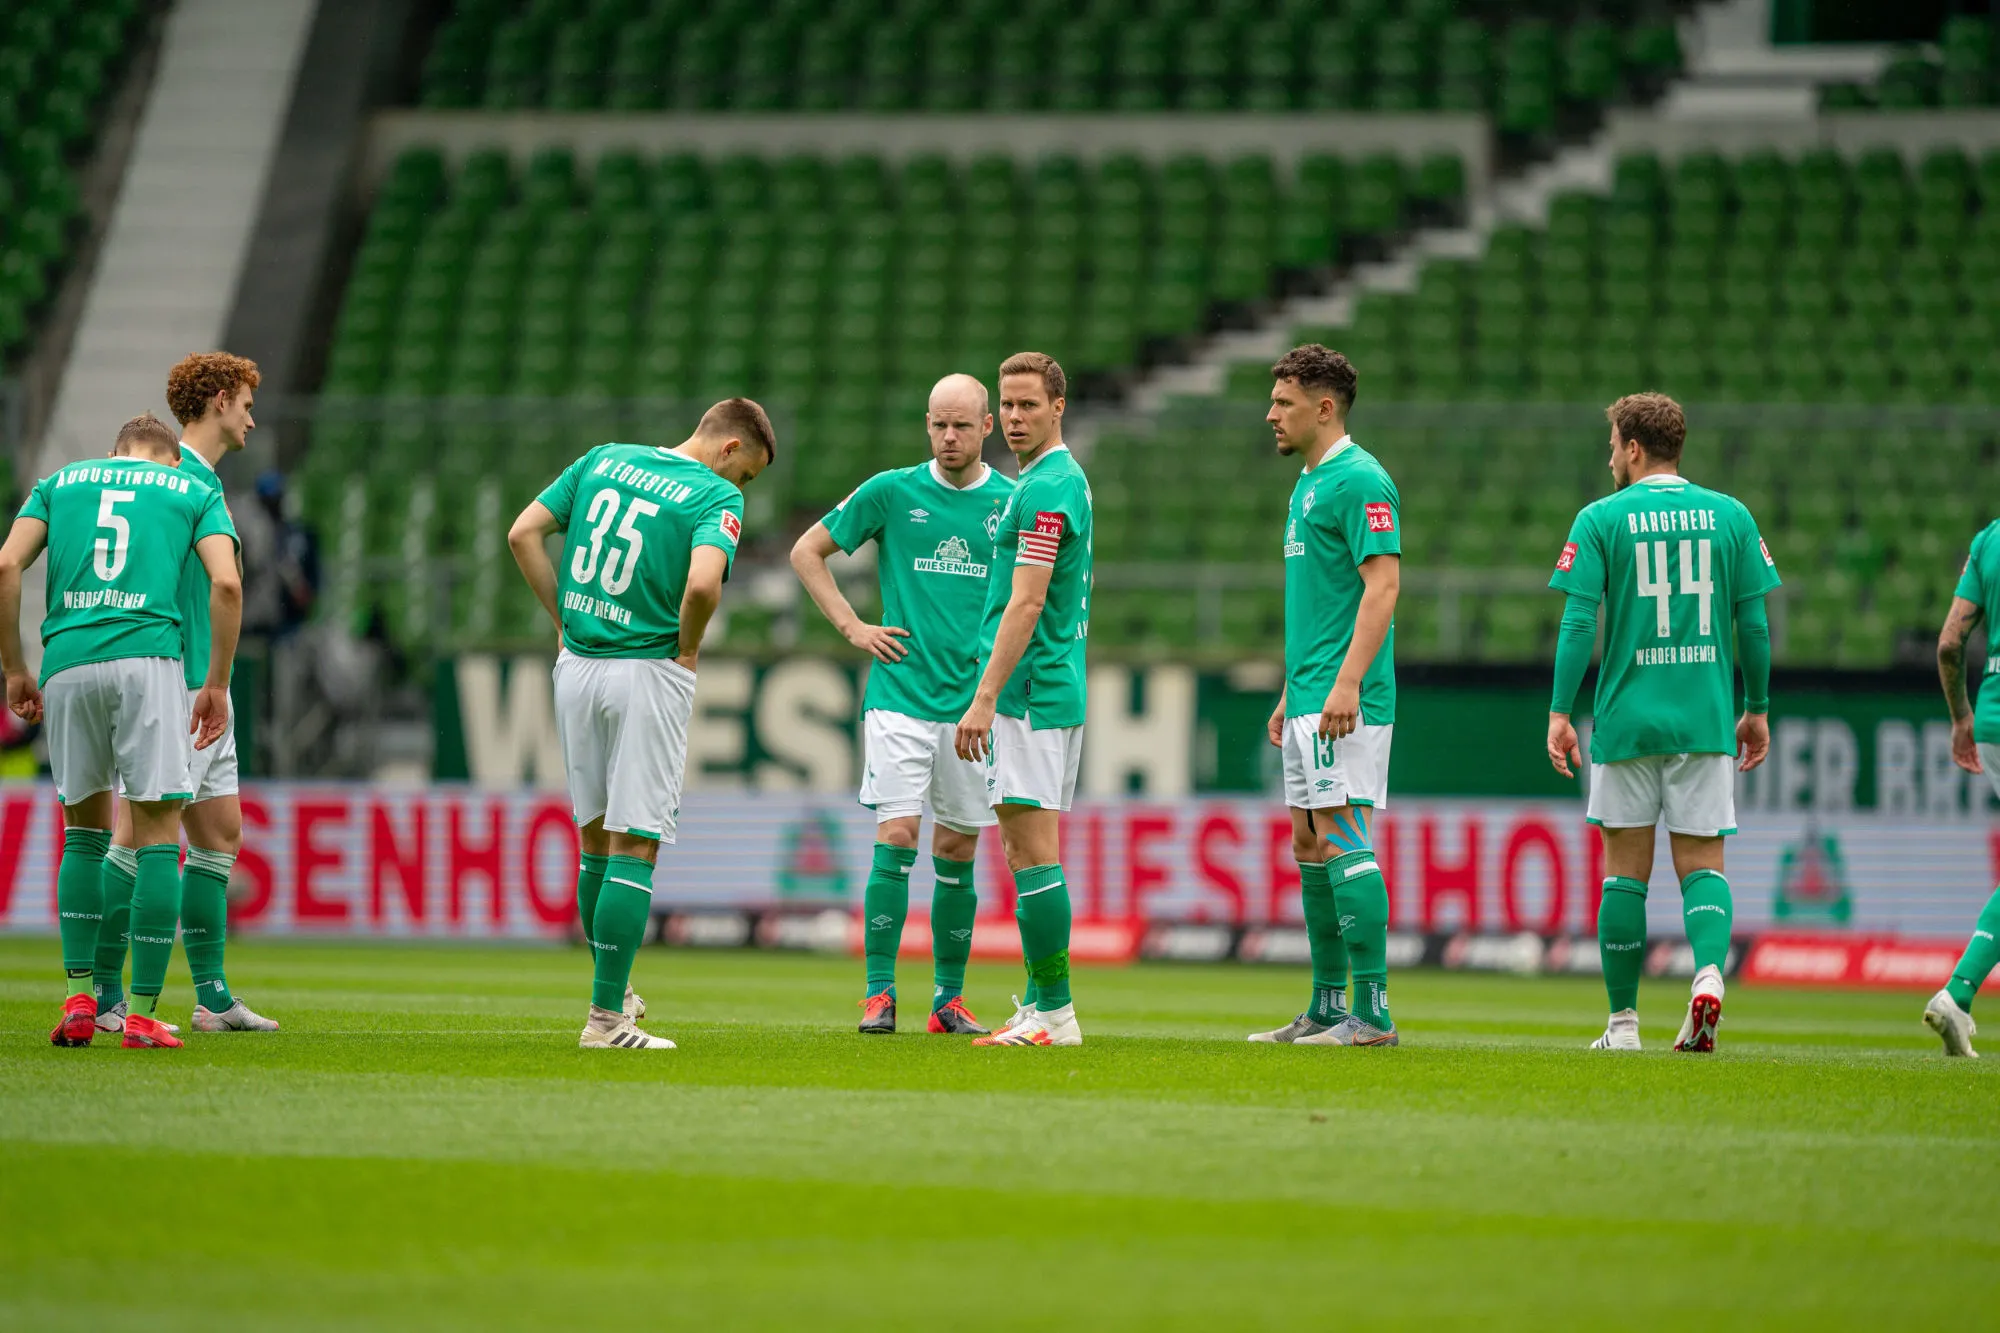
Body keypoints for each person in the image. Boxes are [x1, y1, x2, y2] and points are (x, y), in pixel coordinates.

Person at [509, 398, 773, 1050]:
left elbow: (521, 533)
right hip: (646, 670)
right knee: (637, 843)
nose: (740, 488)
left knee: (595, 841)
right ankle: (606, 1021)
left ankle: (612, 985)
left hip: (577, 666)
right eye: (747, 475)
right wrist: (687, 646)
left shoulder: (604, 458)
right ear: (730, 449)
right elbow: (705, 586)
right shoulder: (715, 496)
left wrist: (562, 620)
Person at [0, 411, 240, 1048]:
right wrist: (215, 681)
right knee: (159, 833)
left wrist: (15, 670)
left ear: (113, 452)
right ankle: (140, 1014)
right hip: (148, 661)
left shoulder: (59, 482)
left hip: (66, 662)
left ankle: (81, 998)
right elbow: (226, 580)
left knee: (83, 834)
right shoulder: (190, 488)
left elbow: (4, 566)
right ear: (165, 457)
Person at [1546, 393, 1776, 1053]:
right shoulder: (1731, 515)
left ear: (1634, 448)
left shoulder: (1600, 518)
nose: (1609, 456)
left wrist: (1562, 711)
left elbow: (1579, 620)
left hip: (1627, 721)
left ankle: (1622, 1025)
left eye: (1613, 444)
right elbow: (1753, 623)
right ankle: (1708, 974)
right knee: (1704, 862)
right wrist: (1755, 706)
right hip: (1703, 718)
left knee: (1624, 873)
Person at [791, 373, 1014, 1035]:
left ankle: (947, 999)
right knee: (897, 834)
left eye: (962, 425)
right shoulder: (893, 490)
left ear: (987, 427)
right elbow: (807, 551)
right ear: (927, 423)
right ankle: (879, 993)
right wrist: (852, 627)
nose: (949, 437)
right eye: (938, 424)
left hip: (972, 706)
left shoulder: (1011, 500)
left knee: (958, 849)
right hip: (900, 698)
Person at [94, 353, 278, 1034]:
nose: (252, 418)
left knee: (219, 830)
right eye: (247, 404)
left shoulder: (201, 482)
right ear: (221, 400)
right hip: (179, 683)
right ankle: (105, 994)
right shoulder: (176, 483)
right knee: (136, 833)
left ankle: (213, 996)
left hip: (206, 683)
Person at [1247, 345, 1403, 1048]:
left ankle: (1372, 1013)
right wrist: (1291, 689)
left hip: (1347, 697)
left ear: (1325, 407)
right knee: (1310, 843)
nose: (1270, 413)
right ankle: (1326, 1005)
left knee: (1343, 834)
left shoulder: (1361, 479)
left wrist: (1345, 683)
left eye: (1283, 402)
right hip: (1310, 693)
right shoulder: (1307, 483)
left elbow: (1383, 586)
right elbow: (1324, 602)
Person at [953, 352, 1090, 1048]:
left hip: (1028, 693)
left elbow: (1028, 599)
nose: (1013, 417)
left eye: (1029, 404)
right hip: (1047, 688)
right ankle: (1041, 1003)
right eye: (1007, 405)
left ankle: (1057, 1013)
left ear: (1058, 406)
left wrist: (984, 697)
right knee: (1024, 845)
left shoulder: (1046, 488)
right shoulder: (1043, 481)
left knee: (1033, 852)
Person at [1923, 522, 2000, 1056]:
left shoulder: (1989, 539)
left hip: (1993, 720)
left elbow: (1950, 642)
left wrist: (1960, 718)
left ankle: (1960, 995)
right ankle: (1958, 993)